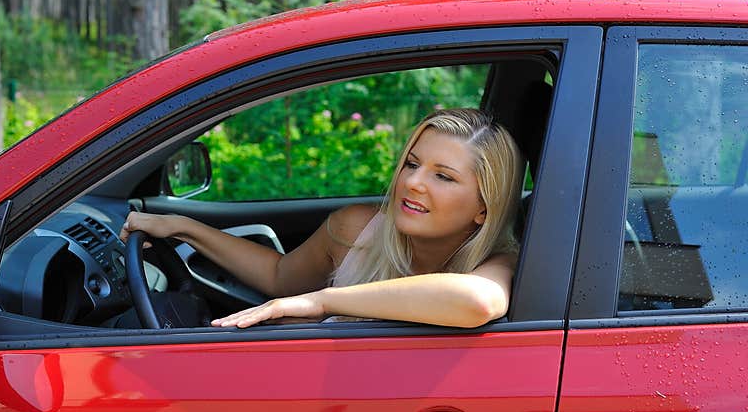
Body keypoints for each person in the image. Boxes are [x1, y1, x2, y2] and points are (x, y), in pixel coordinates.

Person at [119, 107, 525, 329]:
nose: (413, 183)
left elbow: (475, 301)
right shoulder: (356, 229)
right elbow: (280, 278)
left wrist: (321, 302)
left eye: (443, 176)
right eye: (412, 164)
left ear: (482, 209)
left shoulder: (498, 262)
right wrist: (185, 228)